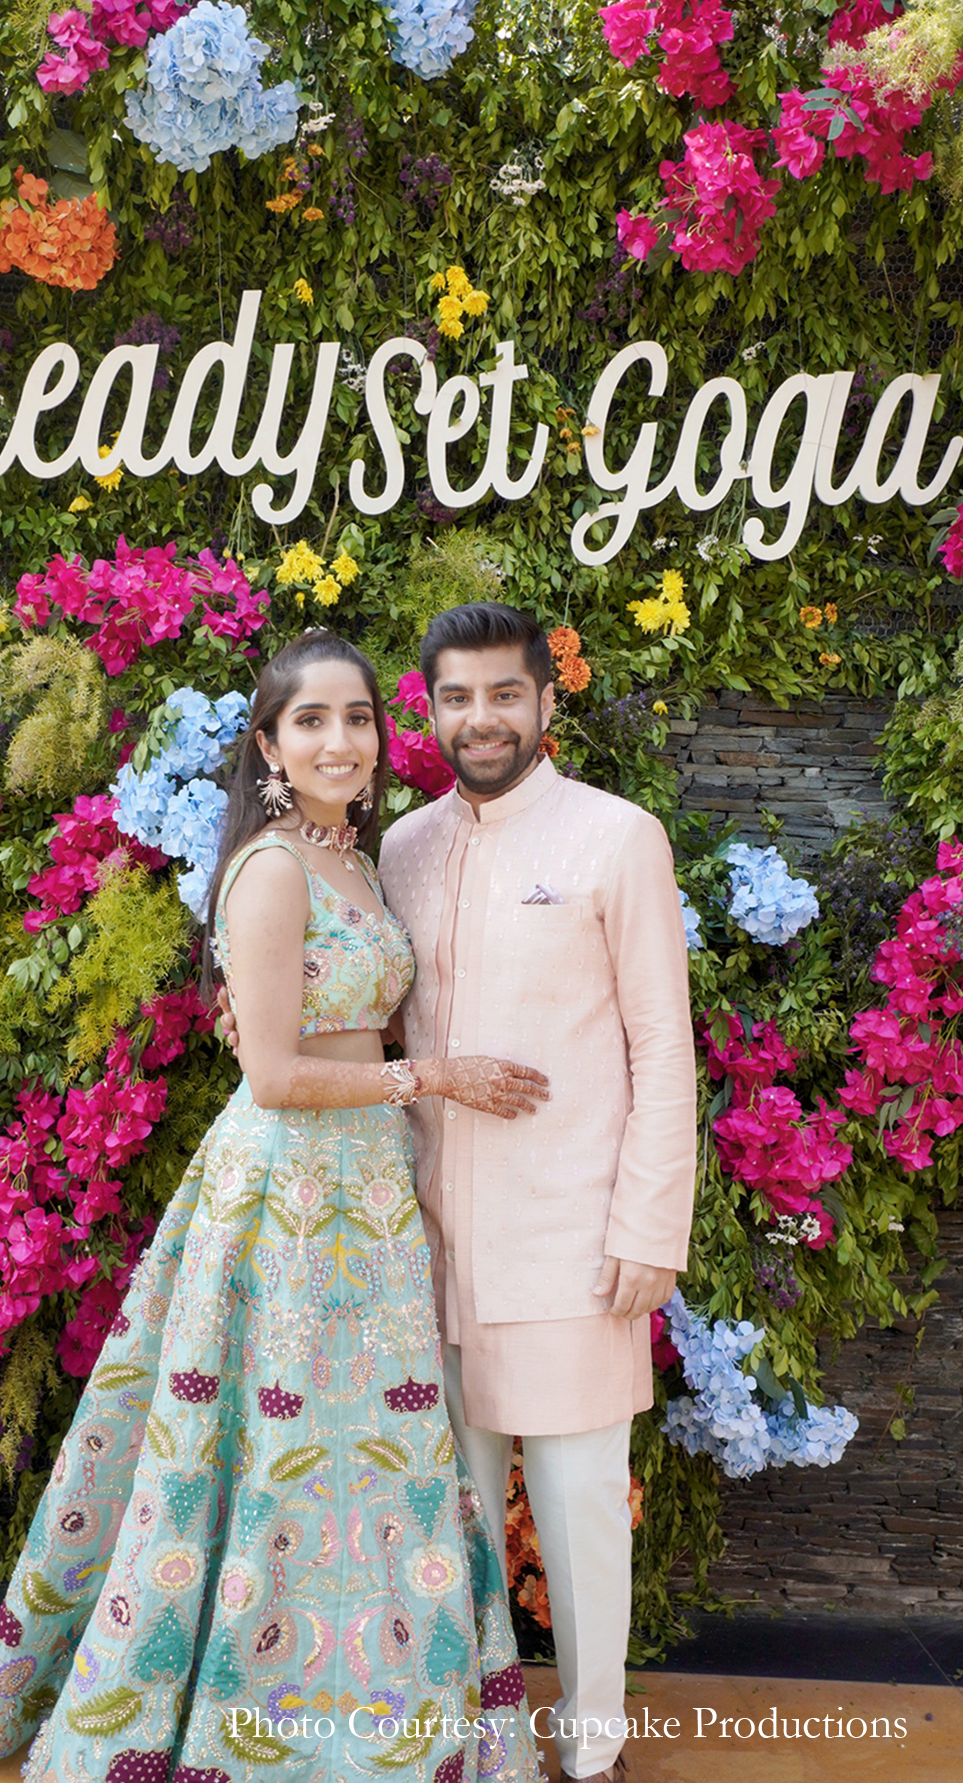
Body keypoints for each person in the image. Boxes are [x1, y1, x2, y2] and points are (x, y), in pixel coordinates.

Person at [0, 629, 548, 1783]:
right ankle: (247, 1718)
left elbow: (337, 1019)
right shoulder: (274, 867)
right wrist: (432, 1077)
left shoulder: (351, 860)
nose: (340, 740)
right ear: (269, 746)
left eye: (357, 717)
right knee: (277, 1446)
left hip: (367, 1190)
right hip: (287, 1192)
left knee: (371, 1449)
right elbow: (272, 1075)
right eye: (310, 721)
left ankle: (377, 1704)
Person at [377, 604, 698, 1783]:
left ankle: (592, 1743)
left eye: (503, 695)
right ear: (429, 710)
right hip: (426, 1244)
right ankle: (475, 1731)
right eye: (457, 698)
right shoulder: (401, 848)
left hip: (569, 1239)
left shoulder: (617, 838)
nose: (481, 719)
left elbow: (661, 1045)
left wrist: (648, 1227)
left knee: (576, 1512)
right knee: (449, 1517)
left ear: (544, 701)